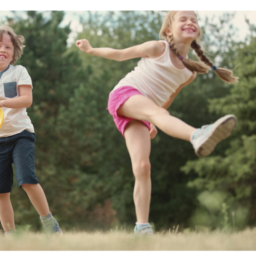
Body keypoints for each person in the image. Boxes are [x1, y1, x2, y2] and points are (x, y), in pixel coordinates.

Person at [76, 11, 238, 235]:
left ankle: (142, 227)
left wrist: (153, 117)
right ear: (169, 30)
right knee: (157, 115)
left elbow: (168, 97)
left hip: (145, 111)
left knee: (143, 167)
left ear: (197, 30)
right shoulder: (158, 48)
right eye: (183, 18)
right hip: (124, 94)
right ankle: (198, 134)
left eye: (194, 19)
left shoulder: (189, 74)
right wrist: (91, 49)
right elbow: (120, 54)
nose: (190, 22)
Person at [0, 25, 62, 235]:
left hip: (21, 135)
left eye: (8, 47)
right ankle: (12, 237)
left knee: (27, 180)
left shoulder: (19, 72)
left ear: (14, 53)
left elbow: (27, 100)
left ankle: (49, 223)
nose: (3, 49)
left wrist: (3, 102)